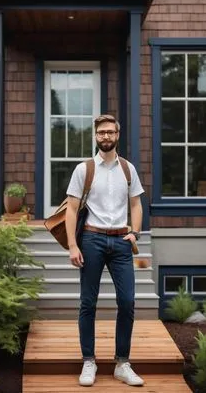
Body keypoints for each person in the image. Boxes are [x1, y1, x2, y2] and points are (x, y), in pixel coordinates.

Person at [65, 114, 144, 387]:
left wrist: (134, 231)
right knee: (88, 303)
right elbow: (72, 209)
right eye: (102, 133)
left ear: (117, 135)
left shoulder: (128, 169)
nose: (106, 137)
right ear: (95, 136)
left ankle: (122, 363)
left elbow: (136, 204)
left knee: (127, 302)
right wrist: (73, 245)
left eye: (110, 132)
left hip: (122, 242)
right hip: (92, 240)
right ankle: (89, 361)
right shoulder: (83, 169)